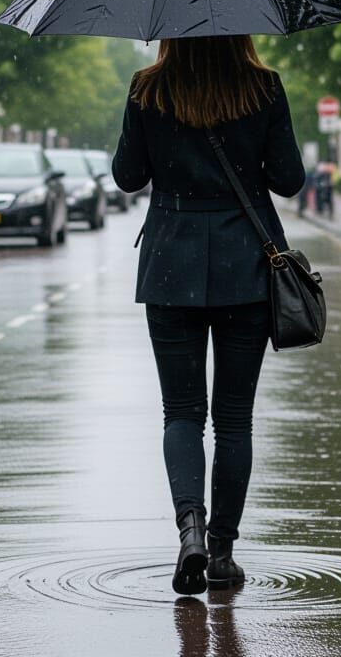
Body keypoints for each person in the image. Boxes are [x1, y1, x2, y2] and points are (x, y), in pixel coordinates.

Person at [112, 35, 305, 596]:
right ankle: (221, 552)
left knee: (181, 411)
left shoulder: (147, 88)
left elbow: (128, 176)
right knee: (234, 419)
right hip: (247, 264)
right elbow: (288, 179)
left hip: (171, 263)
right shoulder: (263, 87)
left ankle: (189, 528)